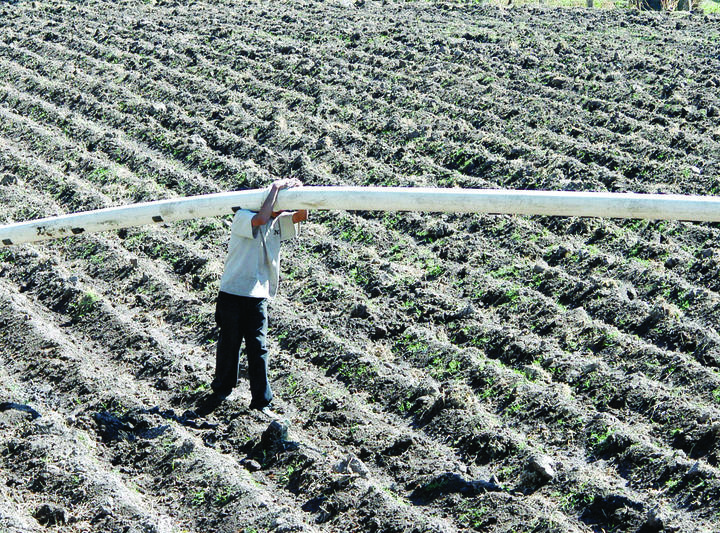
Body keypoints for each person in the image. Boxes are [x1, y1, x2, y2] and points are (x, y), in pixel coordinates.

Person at [211, 178, 307, 411]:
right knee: (229, 344)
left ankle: (261, 400)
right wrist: (275, 188)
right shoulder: (243, 217)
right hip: (233, 292)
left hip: (257, 295)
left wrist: (301, 193)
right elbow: (261, 218)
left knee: (258, 346)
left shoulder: (278, 222)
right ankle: (222, 389)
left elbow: (301, 216)